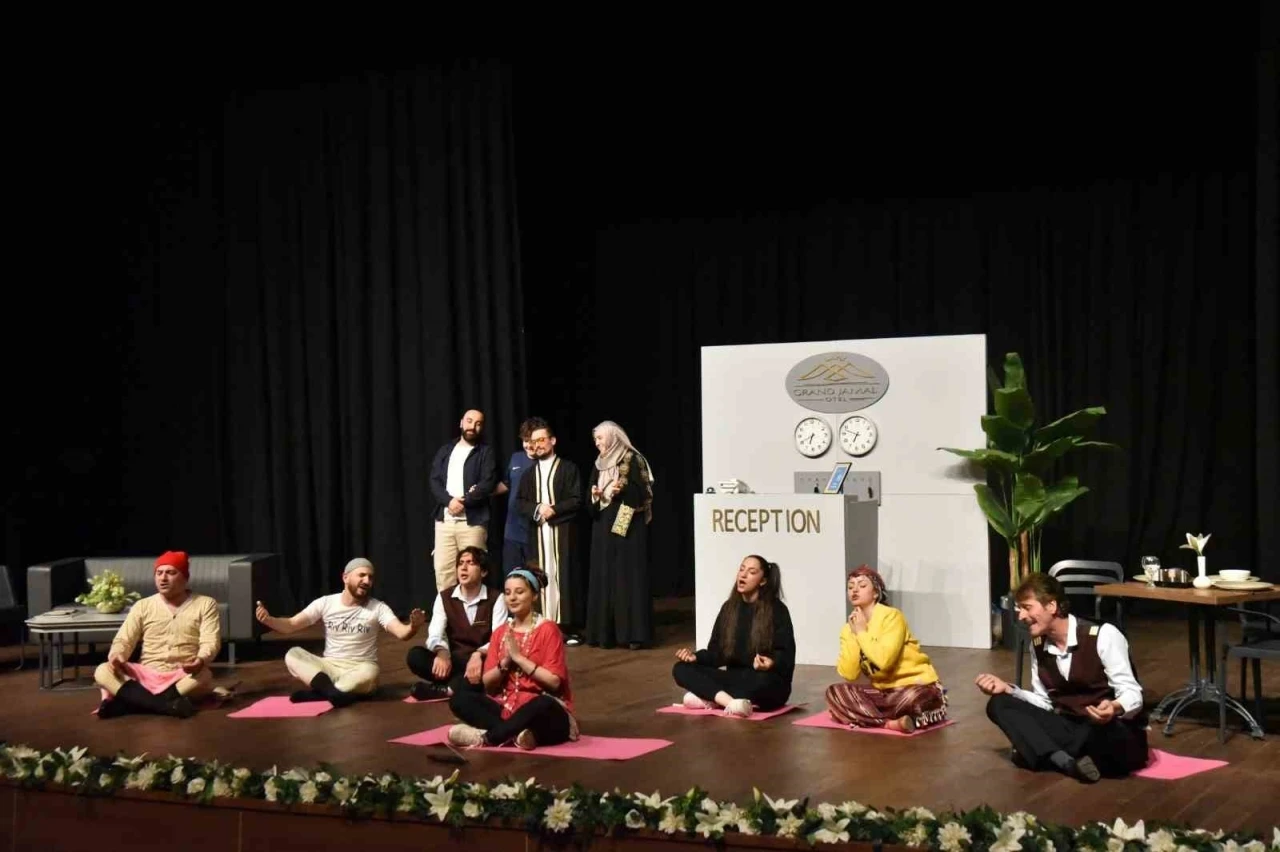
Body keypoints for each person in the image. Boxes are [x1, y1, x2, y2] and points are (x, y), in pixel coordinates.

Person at [976, 573, 1148, 783]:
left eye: (1027, 607)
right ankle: (1065, 762)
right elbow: (1044, 702)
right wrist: (1009, 690)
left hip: (1106, 729)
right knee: (999, 704)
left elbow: (1133, 694)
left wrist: (1114, 707)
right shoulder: (1038, 645)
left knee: (1106, 738)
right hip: (1070, 727)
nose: (1021, 616)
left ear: (1051, 606)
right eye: (1019, 609)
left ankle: (1043, 753)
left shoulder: (1102, 635)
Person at [255, 558, 425, 707]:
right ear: (345, 577)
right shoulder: (326, 603)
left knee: (370, 674)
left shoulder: (378, 607)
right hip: (329, 667)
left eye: (370, 577)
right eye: (362, 575)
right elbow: (291, 625)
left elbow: (402, 633)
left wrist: (413, 627)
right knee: (293, 654)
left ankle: (322, 693)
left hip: (359, 668)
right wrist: (269, 620)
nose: (367, 581)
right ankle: (335, 692)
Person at [447, 568, 578, 750]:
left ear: (534, 596)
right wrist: (505, 663)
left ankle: (487, 737)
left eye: (519, 592)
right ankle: (519, 735)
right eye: (508, 593)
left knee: (542, 704)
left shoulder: (548, 630)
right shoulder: (501, 632)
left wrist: (519, 658)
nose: (512, 598)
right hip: (507, 707)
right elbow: (488, 684)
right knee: (460, 698)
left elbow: (554, 683)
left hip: (543, 711)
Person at [94, 550, 221, 719]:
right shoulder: (143, 605)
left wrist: (200, 660)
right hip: (145, 675)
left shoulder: (205, 604)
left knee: (204, 676)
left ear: (185, 577)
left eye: (170, 573)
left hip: (181, 675)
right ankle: (166, 706)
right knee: (102, 670)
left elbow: (210, 641)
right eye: (159, 573)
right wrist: (117, 655)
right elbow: (124, 639)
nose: (163, 578)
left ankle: (130, 702)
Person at [824, 565, 948, 732]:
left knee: (915, 698)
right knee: (835, 692)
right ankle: (888, 723)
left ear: (876, 593)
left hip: (914, 686)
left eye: (862, 585)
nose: (855, 590)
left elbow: (885, 661)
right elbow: (849, 674)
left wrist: (861, 633)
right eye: (850, 587)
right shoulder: (849, 628)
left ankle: (865, 715)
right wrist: (854, 634)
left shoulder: (892, 617)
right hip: (884, 693)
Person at [672, 555, 794, 717]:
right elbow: (716, 654)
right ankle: (731, 703)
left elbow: (786, 654)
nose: (743, 575)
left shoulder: (777, 610)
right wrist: (695, 657)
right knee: (680, 669)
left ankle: (711, 696)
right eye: (741, 569)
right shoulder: (729, 608)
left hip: (763, 681)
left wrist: (771, 663)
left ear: (763, 581)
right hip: (734, 679)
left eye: (751, 572)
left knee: (764, 684)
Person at [585, 420, 654, 649]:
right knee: (605, 574)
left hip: (628, 523)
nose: (597, 443)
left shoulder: (633, 458)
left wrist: (622, 490)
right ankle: (605, 634)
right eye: (595, 439)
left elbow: (644, 492)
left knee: (627, 575)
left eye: (600, 438)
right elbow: (590, 495)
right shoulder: (599, 463)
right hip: (603, 525)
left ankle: (633, 634)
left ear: (613, 437)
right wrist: (596, 495)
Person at [405, 546, 507, 700]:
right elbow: (435, 633)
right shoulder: (444, 597)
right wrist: (442, 652)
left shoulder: (496, 598)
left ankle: (446, 690)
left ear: (483, 572)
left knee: (491, 668)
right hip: (454, 661)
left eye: (470, 563)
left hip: (482, 660)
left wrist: (478, 654)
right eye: (460, 563)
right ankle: (458, 686)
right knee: (415, 656)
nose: (463, 568)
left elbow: (498, 639)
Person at [514, 418, 584, 640]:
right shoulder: (528, 474)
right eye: (534, 441)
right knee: (540, 576)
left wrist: (554, 510)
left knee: (563, 578)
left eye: (542, 440)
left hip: (563, 532)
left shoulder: (568, 469)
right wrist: (537, 508)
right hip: (538, 535)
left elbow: (576, 499)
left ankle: (567, 628)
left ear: (553, 441)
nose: (537, 445)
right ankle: (543, 626)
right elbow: (520, 502)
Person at [429, 408, 497, 592]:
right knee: (443, 572)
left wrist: (464, 502)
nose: (473, 426)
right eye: (469, 421)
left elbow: (488, 482)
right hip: (445, 522)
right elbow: (434, 480)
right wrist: (449, 501)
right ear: (461, 423)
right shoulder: (446, 450)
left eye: (478, 423)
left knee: (474, 571)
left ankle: (474, 611)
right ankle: (449, 610)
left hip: (473, 522)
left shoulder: (486, 452)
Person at [493, 419, 537, 577]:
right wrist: (482, 491)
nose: (528, 445)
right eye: (525, 441)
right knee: (512, 577)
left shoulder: (546, 462)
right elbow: (507, 484)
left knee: (536, 578)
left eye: (532, 441)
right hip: (512, 531)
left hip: (534, 532)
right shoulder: (516, 458)